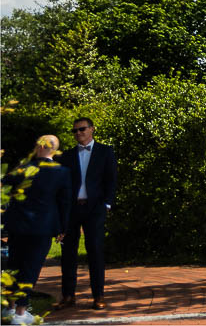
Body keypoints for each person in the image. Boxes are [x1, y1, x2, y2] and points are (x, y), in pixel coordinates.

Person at [5, 136, 71, 325]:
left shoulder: (23, 168)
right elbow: (64, 202)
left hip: (18, 225)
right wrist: (63, 227)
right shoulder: (62, 172)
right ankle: (20, 312)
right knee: (30, 269)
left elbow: (6, 185)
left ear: (38, 146)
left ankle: (9, 307)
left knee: (14, 266)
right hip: (42, 226)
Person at [54, 116, 116, 310]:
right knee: (68, 253)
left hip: (95, 208)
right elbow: (61, 185)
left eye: (81, 129)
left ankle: (98, 296)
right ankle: (68, 296)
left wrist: (106, 204)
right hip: (72, 209)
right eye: (75, 131)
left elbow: (111, 179)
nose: (78, 133)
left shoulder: (105, 151)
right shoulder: (67, 155)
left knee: (95, 251)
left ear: (92, 129)